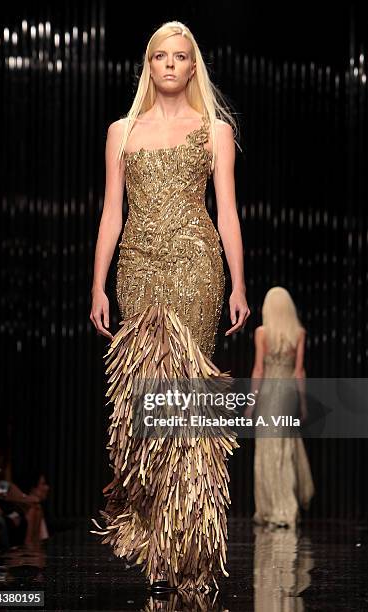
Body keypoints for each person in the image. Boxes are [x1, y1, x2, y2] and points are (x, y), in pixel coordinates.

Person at [89, 20, 250, 592]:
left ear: (193, 65)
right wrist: (97, 285)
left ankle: (194, 554)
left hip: (196, 267)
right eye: (161, 56)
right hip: (136, 266)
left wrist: (237, 283)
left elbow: (226, 210)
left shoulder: (215, 131)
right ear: (148, 64)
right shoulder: (120, 132)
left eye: (181, 57)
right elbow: (112, 212)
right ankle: (163, 545)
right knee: (146, 413)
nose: (171, 66)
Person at [245, 287, 315, 527]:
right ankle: (286, 508)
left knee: (268, 448)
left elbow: (259, 370)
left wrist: (251, 403)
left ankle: (275, 510)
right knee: (285, 446)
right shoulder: (298, 332)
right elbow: (299, 372)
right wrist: (303, 404)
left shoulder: (262, 333)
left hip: (269, 395)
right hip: (288, 395)